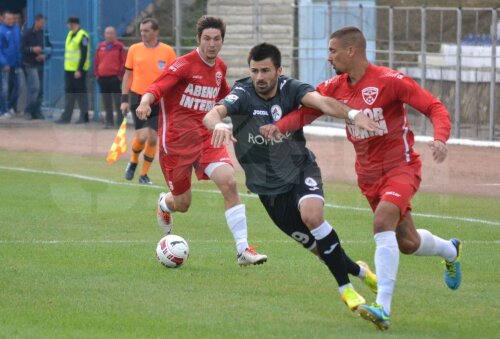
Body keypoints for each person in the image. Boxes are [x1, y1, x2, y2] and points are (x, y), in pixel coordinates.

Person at [261, 27, 462, 331]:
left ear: (351, 51)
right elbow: (306, 113)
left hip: (400, 168)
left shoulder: (390, 81)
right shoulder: (335, 86)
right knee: (407, 242)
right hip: (368, 177)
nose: (328, 57)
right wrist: (280, 126)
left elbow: (433, 106)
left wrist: (441, 138)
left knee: (382, 223)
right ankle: (450, 250)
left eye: (332, 51)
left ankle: (383, 306)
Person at [203, 42, 380, 310]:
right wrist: (218, 125)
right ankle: (360, 271)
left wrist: (354, 115)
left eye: (265, 71)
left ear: (279, 70)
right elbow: (212, 113)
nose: (259, 77)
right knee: (320, 250)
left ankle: (347, 291)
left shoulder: (291, 88)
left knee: (313, 216)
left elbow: (322, 102)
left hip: (300, 170)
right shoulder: (242, 93)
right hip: (268, 190)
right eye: (254, 71)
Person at [135, 16, 268, 266]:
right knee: (183, 204)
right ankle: (165, 202)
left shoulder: (220, 68)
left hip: (207, 136)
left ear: (222, 41)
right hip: (177, 142)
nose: (211, 44)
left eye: (216, 39)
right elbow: (158, 87)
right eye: (207, 38)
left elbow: (226, 98)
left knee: (229, 182)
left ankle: (243, 250)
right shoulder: (183, 65)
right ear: (198, 39)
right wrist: (145, 102)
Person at [121, 18, 176, 185]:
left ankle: (144, 174)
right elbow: (127, 75)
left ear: (155, 32)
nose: (143, 34)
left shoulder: (168, 51)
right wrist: (124, 99)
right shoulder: (134, 49)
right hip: (139, 97)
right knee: (142, 136)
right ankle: (133, 161)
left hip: (160, 100)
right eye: (141, 30)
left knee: (153, 139)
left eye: (146, 31)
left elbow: (174, 77)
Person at [56, 16, 90, 124]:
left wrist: (79, 69)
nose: (67, 26)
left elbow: (84, 55)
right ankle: (66, 117)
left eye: (68, 24)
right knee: (69, 94)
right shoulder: (70, 34)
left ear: (73, 24)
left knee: (80, 94)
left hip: (78, 71)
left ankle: (84, 117)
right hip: (69, 70)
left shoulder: (83, 36)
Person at [95, 26, 126, 129]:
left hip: (115, 78)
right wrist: (97, 75)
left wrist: (119, 75)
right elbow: (96, 62)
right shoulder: (100, 46)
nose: (109, 35)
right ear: (104, 35)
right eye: (107, 33)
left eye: (111, 33)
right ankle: (109, 121)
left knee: (118, 101)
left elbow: (123, 62)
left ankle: (120, 122)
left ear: (115, 34)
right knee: (106, 101)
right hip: (102, 78)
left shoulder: (119, 46)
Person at [22, 14, 52, 120]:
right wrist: (32, 50)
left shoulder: (45, 34)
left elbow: (50, 47)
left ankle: (36, 111)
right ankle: (28, 111)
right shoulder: (27, 33)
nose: (44, 25)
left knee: (41, 89)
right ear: (37, 21)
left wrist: (45, 55)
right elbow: (22, 48)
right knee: (35, 88)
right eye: (42, 22)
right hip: (30, 64)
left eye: (45, 23)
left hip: (41, 64)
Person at [0, 11, 22, 118]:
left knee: (18, 87)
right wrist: (5, 63)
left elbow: (19, 46)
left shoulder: (17, 29)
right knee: (4, 88)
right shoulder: (1, 31)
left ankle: (9, 106)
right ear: (3, 19)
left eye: (12, 18)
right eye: (8, 19)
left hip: (16, 64)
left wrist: (20, 60)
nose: (10, 21)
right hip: (5, 65)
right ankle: (3, 110)